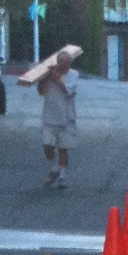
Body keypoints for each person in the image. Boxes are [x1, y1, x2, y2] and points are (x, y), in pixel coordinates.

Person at [37, 53, 78, 187]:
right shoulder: (50, 75)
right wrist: (44, 77)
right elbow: (41, 91)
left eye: (66, 63)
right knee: (47, 145)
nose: (64, 66)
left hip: (66, 117)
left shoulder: (73, 74)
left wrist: (58, 79)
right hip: (49, 116)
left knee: (63, 148)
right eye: (61, 63)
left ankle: (62, 177)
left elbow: (68, 92)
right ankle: (53, 168)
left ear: (69, 64)